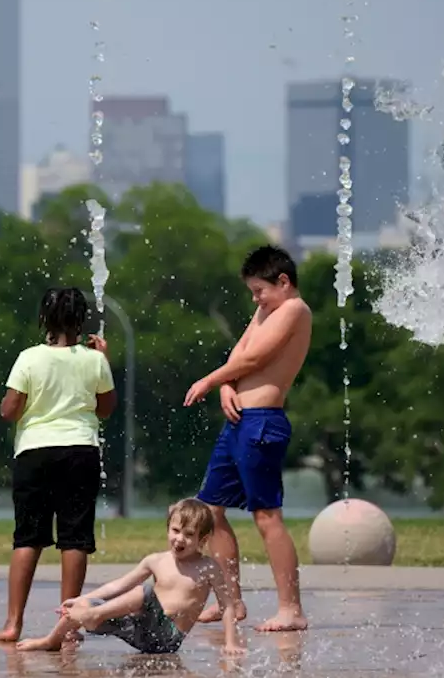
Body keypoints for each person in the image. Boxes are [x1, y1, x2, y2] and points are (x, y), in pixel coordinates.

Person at [183, 245, 312, 633]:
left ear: (283, 282)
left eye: (259, 290)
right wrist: (226, 386)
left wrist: (211, 380)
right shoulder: (267, 310)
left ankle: (291, 608)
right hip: (238, 420)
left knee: (266, 515)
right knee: (210, 511)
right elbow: (240, 352)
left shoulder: (294, 310)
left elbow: (256, 359)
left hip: (262, 422)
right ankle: (231, 601)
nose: (255, 299)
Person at [0, 287, 117, 643]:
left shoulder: (29, 358)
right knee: (74, 538)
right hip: (80, 450)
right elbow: (105, 409)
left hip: (34, 451)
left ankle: (13, 623)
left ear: (44, 320)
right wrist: (102, 360)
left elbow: (9, 410)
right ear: (81, 321)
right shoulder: (94, 361)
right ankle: (69, 624)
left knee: (27, 538)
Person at [16, 498, 243, 655]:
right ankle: (51, 640)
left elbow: (227, 606)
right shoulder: (155, 560)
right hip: (140, 632)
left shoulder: (208, 567)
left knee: (143, 592)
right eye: (175, 531)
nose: (179, 539)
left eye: (189, 534)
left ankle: (94, 614)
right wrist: (82, 598)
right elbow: (119, 585)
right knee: (85, 604)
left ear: (202, 540)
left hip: (168, 638)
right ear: (168, 529)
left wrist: (231, 642)